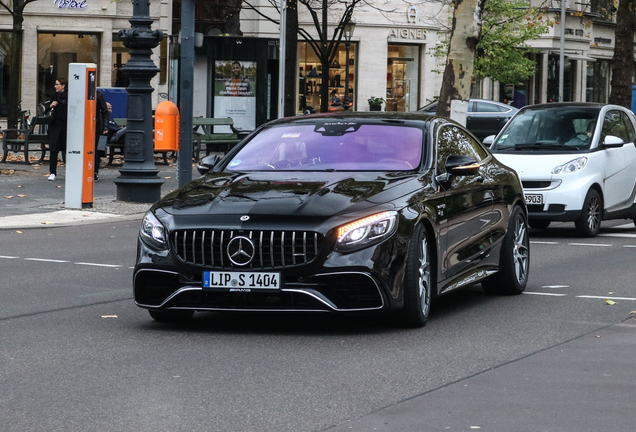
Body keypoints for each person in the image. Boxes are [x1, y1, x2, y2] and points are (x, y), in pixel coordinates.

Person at [47, 77, 68, 181]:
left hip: (66, 126)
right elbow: (46, 109)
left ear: (63, 85)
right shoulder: (54, 96)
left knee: (68, 149)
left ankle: (70, 171)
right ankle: (52, 172)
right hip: (55, 126)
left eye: (57, 84)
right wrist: (51, 105)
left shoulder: (69, 96)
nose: (55, 86)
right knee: (53, 150)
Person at [93, 90, 109, 182]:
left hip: (96, 126)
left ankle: (95, 171)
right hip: (91, 125)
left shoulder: (98, 95)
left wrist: (105, 126)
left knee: (96, 151)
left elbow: (105, 112)